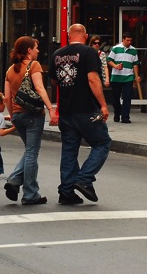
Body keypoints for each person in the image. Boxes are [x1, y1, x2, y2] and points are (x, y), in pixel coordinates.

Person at [50, 23, 110, 205]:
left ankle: (66, 191)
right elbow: (93, 79)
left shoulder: (57, 54)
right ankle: (84, 178)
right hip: (86, 109)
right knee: (102, 143)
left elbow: (54, 81)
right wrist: (103, 105)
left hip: (67, 111)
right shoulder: (89, 52)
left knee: (69, 151)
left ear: (69, 36)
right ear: (85, 36)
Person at [2, 36, 56, 205]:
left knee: (29, 151)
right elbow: (40, 88)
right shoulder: (34, 65)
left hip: (18, 115)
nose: (38, 50)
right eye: (36, 47)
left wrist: (12, 116)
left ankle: (15, 180)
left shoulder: (10, 70)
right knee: (32, 153)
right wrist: (51, 108)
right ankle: (30, 193)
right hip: (33, 115)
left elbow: (7, 98)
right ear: (28, 50)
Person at [107, 34, 140, 124]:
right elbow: (109, 60)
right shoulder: (115, 48)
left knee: (127, 97)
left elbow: (135, 64)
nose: (129, 42)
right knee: (115, 98)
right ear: (123, 39)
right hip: (116, 77)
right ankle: (117, 113)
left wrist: (136, 76)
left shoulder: (133, 50)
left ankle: (125, 117)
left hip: (128, 77)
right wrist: (116, 66)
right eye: (127, 40)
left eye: (130, 41)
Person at [89, 36, 111, 106]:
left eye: (98, 43)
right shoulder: (87, 53)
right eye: (95, 43)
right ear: (91, 44)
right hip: (89, 77)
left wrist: (107, 78)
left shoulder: (102, 54)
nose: (97, 45)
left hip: (98, 76)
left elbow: (105, 66)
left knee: (98, 94)